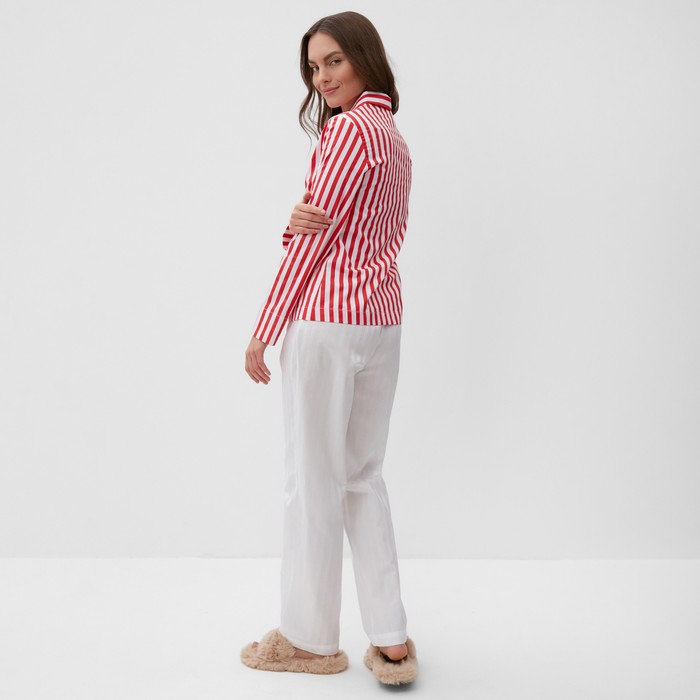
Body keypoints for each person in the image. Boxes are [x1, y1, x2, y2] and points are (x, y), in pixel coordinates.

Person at [239, 11, 418, 686]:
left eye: (334, 60)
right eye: (314, 68)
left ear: (364, 56)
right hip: (382, 321)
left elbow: (314, 241)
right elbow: (377, 233)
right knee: (362, 477)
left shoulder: (345, 132)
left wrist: (265, 327)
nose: (323, 77)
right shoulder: (395, 140)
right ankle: (391, 640)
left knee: (311, 480)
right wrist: (304, 220)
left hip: (326, 322)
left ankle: (309, 640)